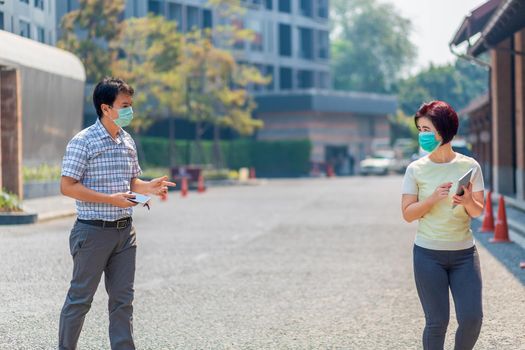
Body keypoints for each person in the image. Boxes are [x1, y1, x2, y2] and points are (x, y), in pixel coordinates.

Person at [59, 77, 175, 349]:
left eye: (130, 105)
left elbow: (132, 181)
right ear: (105, 108)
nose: (129, 111)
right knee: (80, 299)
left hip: (125, 232)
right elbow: (67, 186)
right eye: (124, 105)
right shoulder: (83, 141)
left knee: (123, 300)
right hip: (92, 232)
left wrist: (150, 187)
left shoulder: (127, 141)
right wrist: (109, 199)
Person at [401, 101, 485, 350]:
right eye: (420, 129)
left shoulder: (470, 166)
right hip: (428, 255)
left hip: (464, 255)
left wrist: (468, 199)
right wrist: (432, 199)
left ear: (444, 130)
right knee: (437, 323)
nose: (422, 135)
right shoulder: (415, 169)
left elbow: (478, 211)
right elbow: (407, 214)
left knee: (472, 319)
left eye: (427, 129)